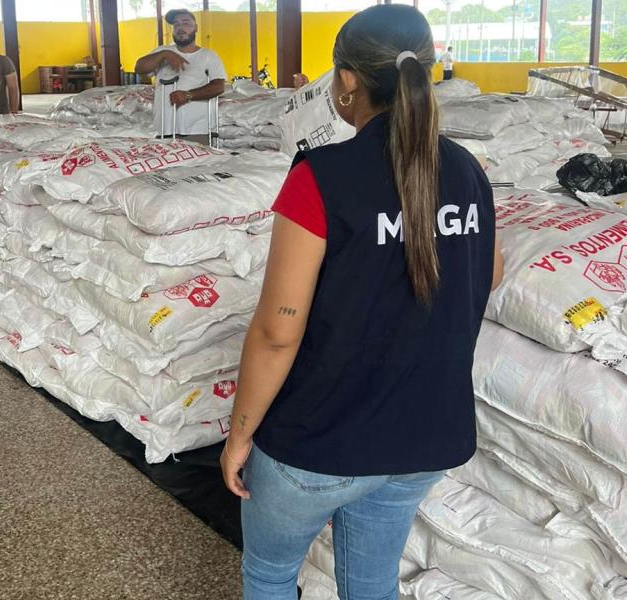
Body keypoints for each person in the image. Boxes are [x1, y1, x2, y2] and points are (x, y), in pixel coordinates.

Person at [219, 5, 503, 599]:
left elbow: (277, 331)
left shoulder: (321, 175)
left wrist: (240, 435)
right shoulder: (467, 170)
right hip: (423, 438)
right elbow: (489, 273)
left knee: (270, 575)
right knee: (371, 581)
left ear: (346, 80)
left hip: (320, 440)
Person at [134, 9, 226, 143]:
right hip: (163, 129)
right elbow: (139, 68)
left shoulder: (208, 56)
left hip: (196, 131)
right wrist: (165, 54)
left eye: (186, 23)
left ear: (196, 28)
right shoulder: (161, 51)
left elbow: (218, 87)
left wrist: (188, 95)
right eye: (176, 24)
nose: (180, 27)